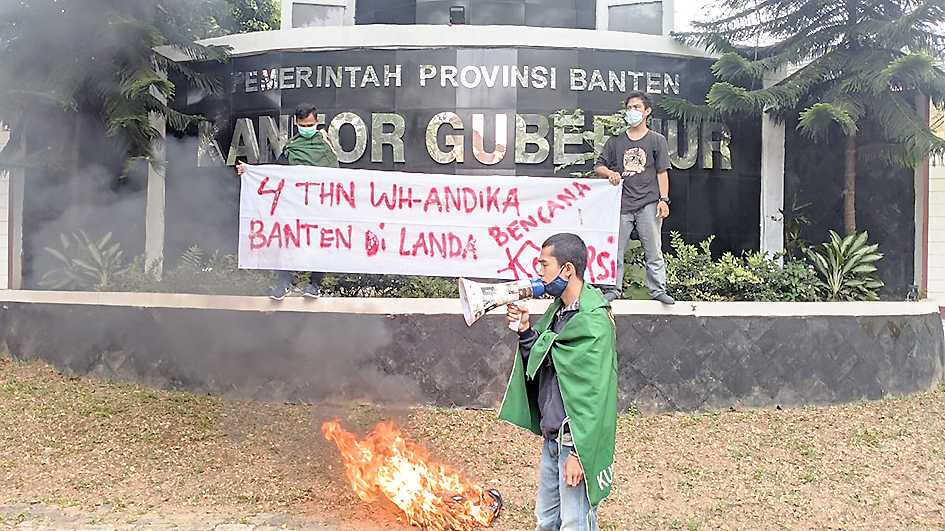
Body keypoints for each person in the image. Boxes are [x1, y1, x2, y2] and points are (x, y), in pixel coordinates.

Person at [501, 233, 618, 531]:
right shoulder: (558, 311)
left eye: (544, 265)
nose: (539, 273)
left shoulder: (594, 320)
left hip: (574, 441)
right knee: (546, 521)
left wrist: (579, 454)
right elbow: (544, 362)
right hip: (552, 438)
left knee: (575, 523)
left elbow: (596, 395)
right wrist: (527, 331)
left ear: (567, 270)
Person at [237, 103, 339, 300]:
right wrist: (250, 171)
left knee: (319, 244)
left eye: (310, 124)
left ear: (317, 122)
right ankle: (283, 284)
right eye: (303, 124)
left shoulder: (327, 146)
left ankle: (314, 285)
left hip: (319, 207)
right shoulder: (291, 148)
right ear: (297, 123)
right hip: (295, 206)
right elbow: (276, 173)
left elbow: (336, 175)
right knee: (286, 242)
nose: (307, 128)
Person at [594, 91, 675, 305]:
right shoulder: (616, 141)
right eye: (629, 108)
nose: (632, 112)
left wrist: (663, 200)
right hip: (621, 204)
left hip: (649, 203)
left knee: (654, 250)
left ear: (647, 111)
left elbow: (662, 172)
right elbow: (599, 165)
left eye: (637, 107)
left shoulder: (657, 140)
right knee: (615, 250)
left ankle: (658, 290)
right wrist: (609, 173)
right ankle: (613, 289)